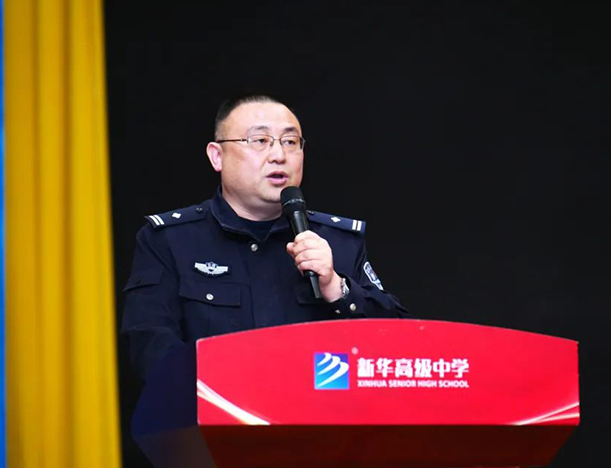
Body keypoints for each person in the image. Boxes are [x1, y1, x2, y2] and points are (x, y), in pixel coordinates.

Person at [120, 94, 409, 381]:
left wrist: (337, 288)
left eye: (290, 142)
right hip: (213, 407)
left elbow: (401, 348)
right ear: (217, 156)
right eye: (260, 141)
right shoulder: (170, 240)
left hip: (319, 410)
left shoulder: (337, 241)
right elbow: (149, 346)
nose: (279, 155)